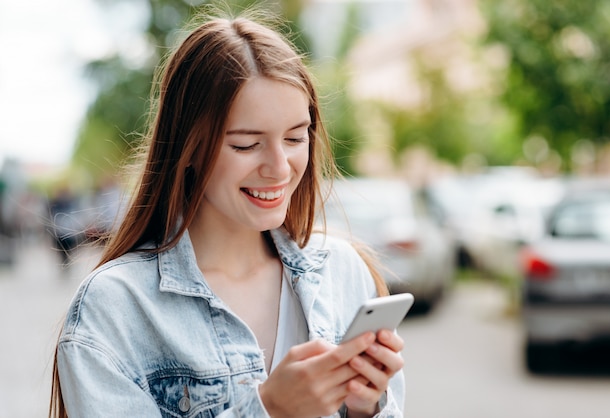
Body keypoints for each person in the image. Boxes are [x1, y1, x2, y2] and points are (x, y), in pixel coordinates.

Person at [49, 8, 406, 418]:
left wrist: (365, 409)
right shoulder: (116, 308)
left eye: (295, 137)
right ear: (189, 148)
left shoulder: (343, 273)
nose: (279, 166)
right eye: (246, 144)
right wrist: (268, 409)